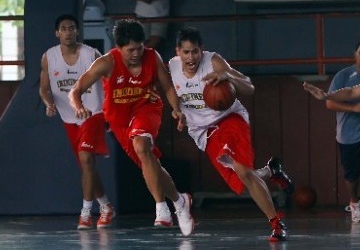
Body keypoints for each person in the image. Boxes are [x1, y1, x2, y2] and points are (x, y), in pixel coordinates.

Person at [68, 19, 194, 236]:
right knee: (148, 161)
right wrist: (78, 106)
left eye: (139, 48)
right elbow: (75, 91)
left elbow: (167, 86)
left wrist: (177, 109)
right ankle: (179, 200)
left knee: (141, 144)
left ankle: (161, 209)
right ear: (118, 48)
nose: (136, 53)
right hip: (119, 120)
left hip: (147, 107)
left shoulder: (152, 57)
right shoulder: (107, 63)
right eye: (130, 50)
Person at [168, 27, 293, 242]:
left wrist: (228, 76)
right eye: (186, 52)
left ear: (202, 50)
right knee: (243, 181)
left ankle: (276, 223)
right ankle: (270, 171)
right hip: (203, 131)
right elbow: (171, 93)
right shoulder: (171, 67)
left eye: (195, 51)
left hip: (229, 119)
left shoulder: (214, 62)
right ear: (178, 51)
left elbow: (249, 87)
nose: (191, 57)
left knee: (244, 171)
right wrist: (177, 111)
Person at [39, 14, 115, 230]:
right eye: (63, 28)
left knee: (85, 158)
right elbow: (44, 87)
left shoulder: (92, 54)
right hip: (68, 117)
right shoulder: (49, 57)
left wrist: (110, 112)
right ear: (57, 33)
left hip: (93, 113)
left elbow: (109, 81)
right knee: (86, 165)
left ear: (77, 31)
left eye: (72, 28)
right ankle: (106, 207)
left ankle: (85, 214)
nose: (68, 32)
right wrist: (48, 103)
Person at [303, 42, 360, 223]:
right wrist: (326, 96)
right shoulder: (345, 75)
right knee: (352, 175)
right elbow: (351, 92)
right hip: (349, 135)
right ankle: (354, 202)